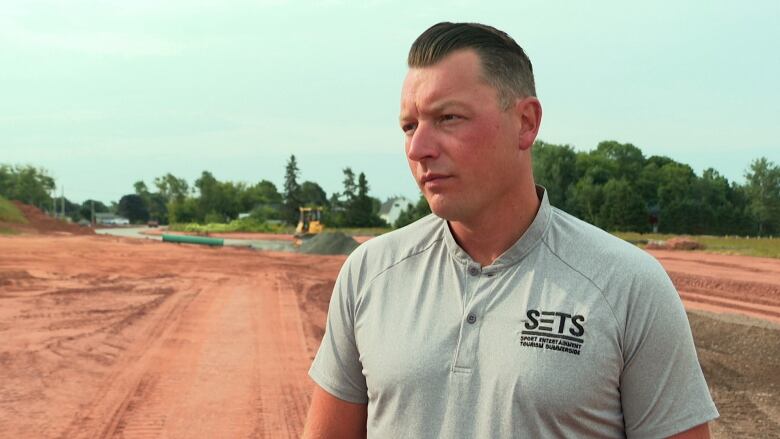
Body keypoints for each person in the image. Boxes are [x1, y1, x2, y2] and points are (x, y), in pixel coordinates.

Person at [303, 22, 718, 438]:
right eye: (409, 126)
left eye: (448, 117)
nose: (418, 148)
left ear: (526, 122)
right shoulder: (369, 273)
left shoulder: (628, 285)